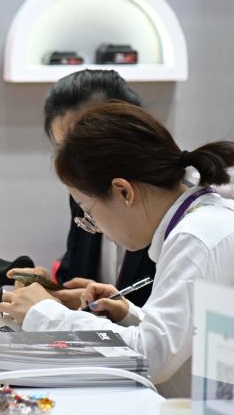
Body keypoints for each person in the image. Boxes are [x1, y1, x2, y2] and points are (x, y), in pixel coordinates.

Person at [0, 101, 234, 415]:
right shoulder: (215, 219)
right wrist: (128, 314)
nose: (97, 229)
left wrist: (45, 313)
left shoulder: (197, 238)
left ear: (124, 191)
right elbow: (198, 337)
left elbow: (151, 358)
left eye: (89, 213)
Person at [12, 69, 157, 307]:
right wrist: (55, 291)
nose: (78, 166)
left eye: (86, 146)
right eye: (65, 150)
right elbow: (76, 279)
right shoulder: (83, 196)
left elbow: (164, 321)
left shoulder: (169, 215)